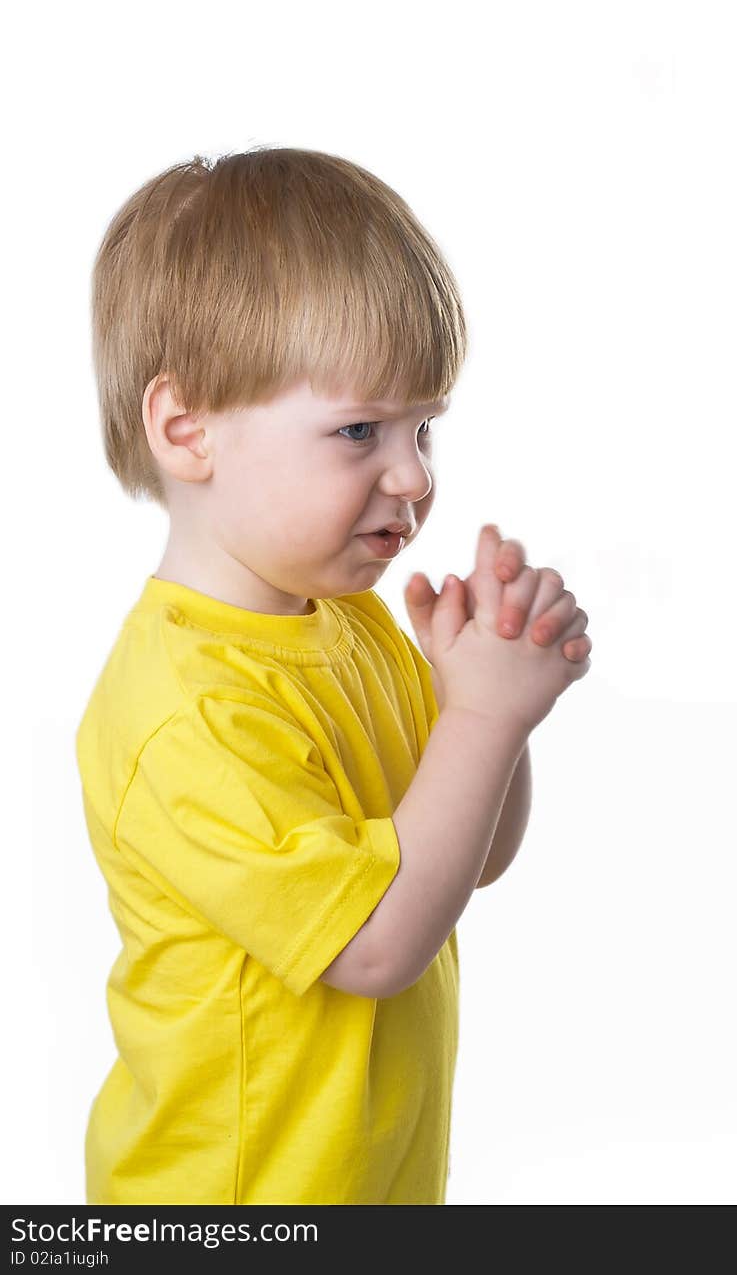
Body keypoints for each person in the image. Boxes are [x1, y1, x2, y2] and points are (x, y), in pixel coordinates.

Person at [76, 147, 592, 1205]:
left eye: (423, 429)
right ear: (187, 431)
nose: (413, 477)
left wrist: (482, 701)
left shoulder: (350, 625)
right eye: (359, 431)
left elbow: (468, 861)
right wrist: (483, 719)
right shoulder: (185, 711)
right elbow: (374, 943)